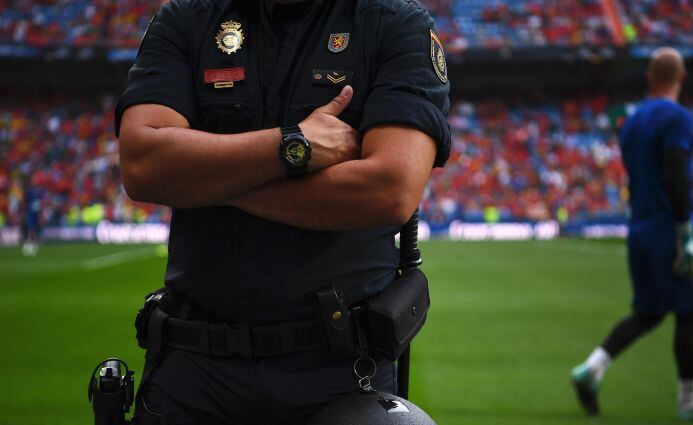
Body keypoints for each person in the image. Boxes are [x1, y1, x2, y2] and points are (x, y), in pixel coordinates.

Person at [116, 0, 450, 424]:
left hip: (340, 373)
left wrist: (212, 181)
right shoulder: (187, 18)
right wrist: (294, 145)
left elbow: (389, 191)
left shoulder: (394, 24)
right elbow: (144, 166)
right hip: (194, 367)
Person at [570, 48, 693, 422]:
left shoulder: (631, 120)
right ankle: (691, 401)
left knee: (648, 312)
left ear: (650, 76)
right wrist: (684, 231)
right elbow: (677, 170)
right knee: (692, 310)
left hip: (640, 228)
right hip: (668, 226)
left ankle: (591, 369)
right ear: (681, 79)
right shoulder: (677, 117)